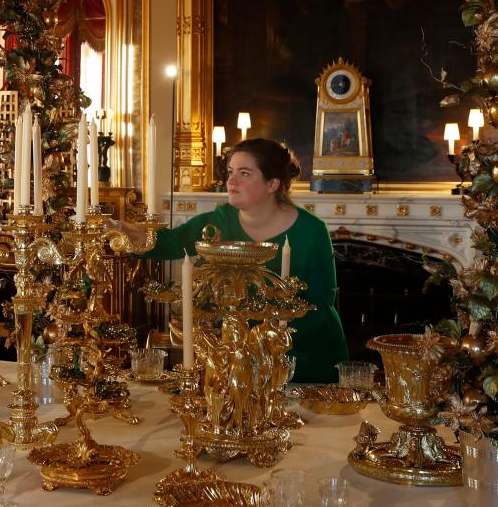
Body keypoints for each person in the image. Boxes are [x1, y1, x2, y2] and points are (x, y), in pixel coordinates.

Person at [138, 138, 348, 383]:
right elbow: (168, 242)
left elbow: (321, 303)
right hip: (238, 359)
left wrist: (266, 342)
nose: (231, 181)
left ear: (272, 184)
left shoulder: (312, 230)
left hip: (305, 359)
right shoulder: (221, 221)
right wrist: (117, 231)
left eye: (244, 173)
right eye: (230, 172)